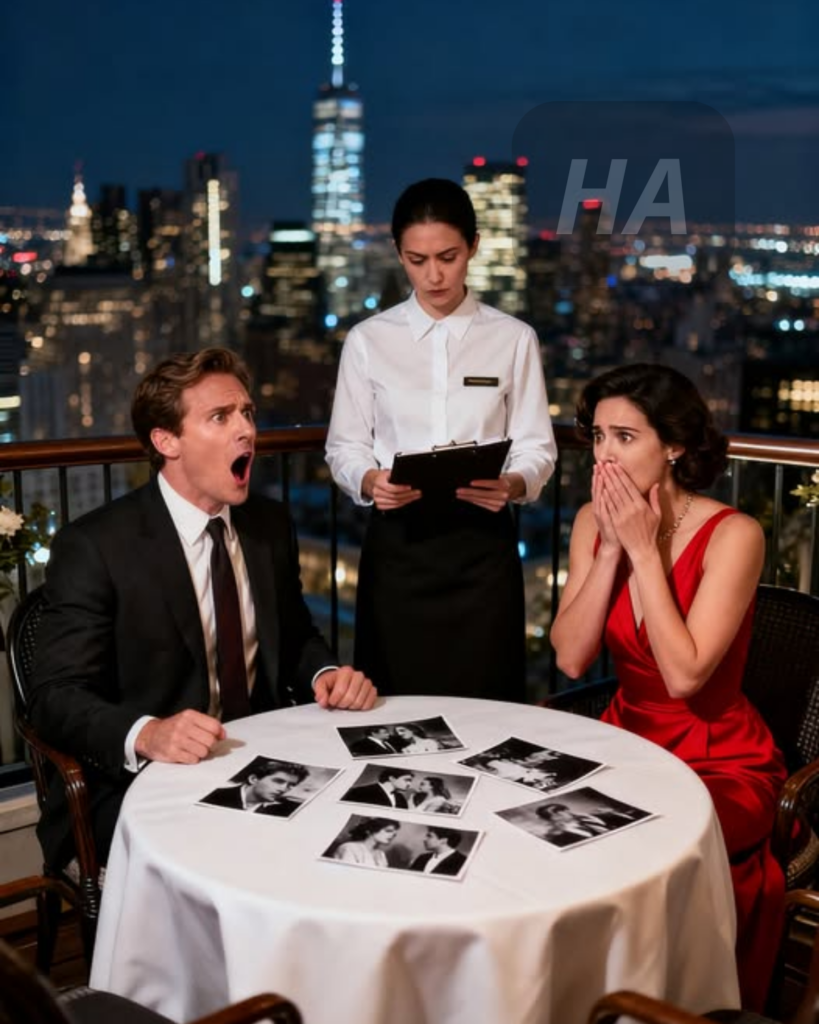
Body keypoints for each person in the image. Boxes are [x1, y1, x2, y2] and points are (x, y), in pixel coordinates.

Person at [29, 347, 377, 871]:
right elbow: (55, 697)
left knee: (358, 832)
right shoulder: (96, 546)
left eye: (247, 413)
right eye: (220, 417)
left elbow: (295, 635)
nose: (247, 430)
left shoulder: (269, 525)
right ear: (166, 442)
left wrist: (325, 673)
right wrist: (147, 733)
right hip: (141, 783)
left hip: (266, 760)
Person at [550, 363, 787, 1011]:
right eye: (598, 437)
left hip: (719, 757)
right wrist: (608, 550)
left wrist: (642, 551)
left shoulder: (734, 535)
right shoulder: (590, 523)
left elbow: (684, 676)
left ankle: (654, 1003)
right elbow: (571, 658)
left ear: (674, 445)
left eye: (625, 437)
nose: (604, 455)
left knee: (636, 843)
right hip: (625, 740)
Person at [326, 178, 556, 701]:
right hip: (398, 545)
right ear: (398, 255)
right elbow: (344, 446)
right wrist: (370, 480)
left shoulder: (513, 339)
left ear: (473, 246)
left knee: (488, 699)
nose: (434, 275)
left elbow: (537, 446)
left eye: (448, 257)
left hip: (483, 545)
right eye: (417, 260)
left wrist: (514, 484)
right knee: (391, 702)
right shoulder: (367, 341)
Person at [200, 759, 308, 817]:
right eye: (278, 781)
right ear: (253, 779)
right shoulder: (214, 797)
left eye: (291, 785)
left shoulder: (289, 808)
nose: (283, 789)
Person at [535, 803, 615, 846]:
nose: (568, 812)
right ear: (552, 818)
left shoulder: (588, 819)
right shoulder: (557, 837)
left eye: (565, 810)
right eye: (558, 813)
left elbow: (607, 828)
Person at [331, 818, 400, 868]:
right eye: (388, 831)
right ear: (370, 830)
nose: (392, 835)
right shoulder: (349, 848)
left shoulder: (381, 854)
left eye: (394, 834)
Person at [342, 767, 414, 808]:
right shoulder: (361, 791)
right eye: (407, 780)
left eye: (410, 781)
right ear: (392, 778)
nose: (409, 784)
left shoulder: (400, 798)